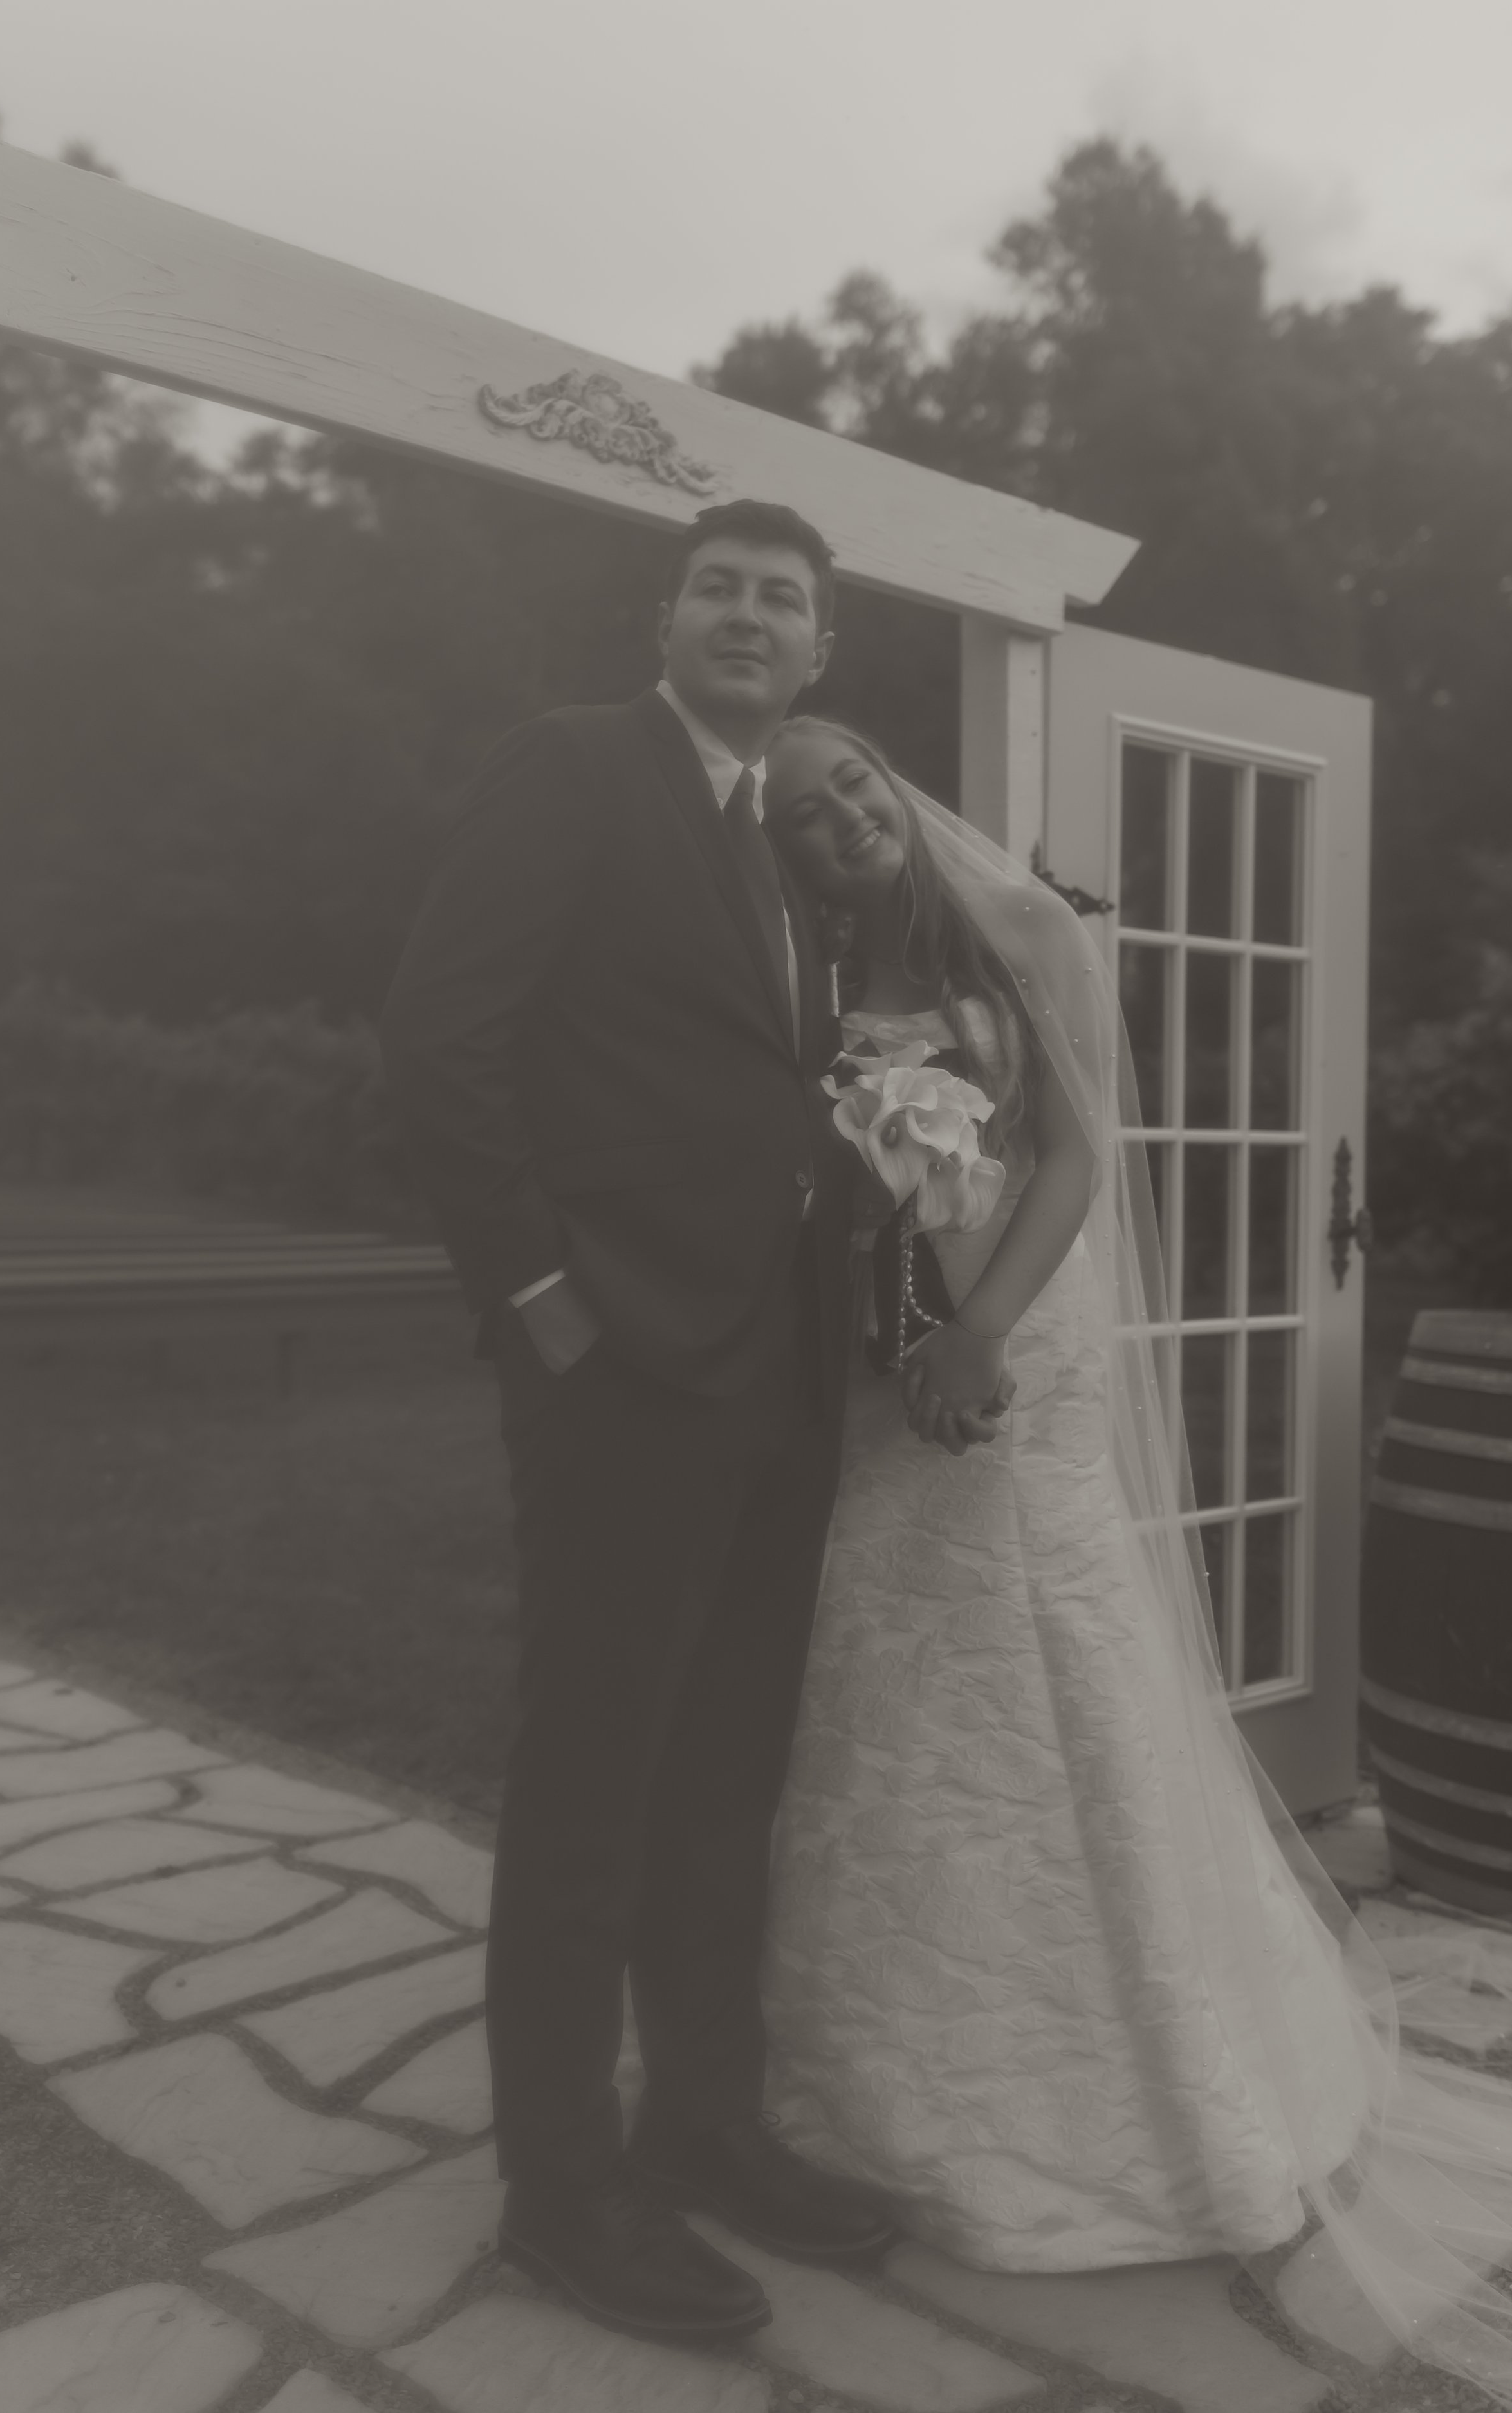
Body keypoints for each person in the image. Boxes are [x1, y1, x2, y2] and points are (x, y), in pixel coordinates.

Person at [757, 716, 1512, 2407]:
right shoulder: (837, 1001)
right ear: (792, 860)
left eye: (853, 792)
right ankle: (895, 2091)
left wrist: (974, 1332)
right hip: (918, 1370)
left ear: (895, 791)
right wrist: (905, 1321)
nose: (840, 826)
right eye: (806, 822)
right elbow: (925, 1178)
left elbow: (1081, 1157)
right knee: (904, 1686)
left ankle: (1170, 2099)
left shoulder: (1019, 929)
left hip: (1027, 1344)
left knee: (1067, 1674)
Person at [379, 503, 897, 2350]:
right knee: (595, 1779)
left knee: (725, 1779)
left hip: (774, 1377)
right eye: (722, 588)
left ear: (820, 652)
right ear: (665, 617)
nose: (750, 616)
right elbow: (444, 1037)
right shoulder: (577, 771)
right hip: (616, 1373)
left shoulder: (792, 845)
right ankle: (559, 2188)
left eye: (785, 601)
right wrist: (540, 1304)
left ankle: (704, 2123)